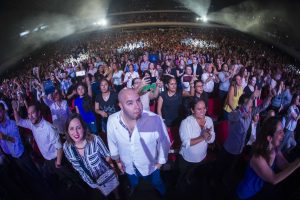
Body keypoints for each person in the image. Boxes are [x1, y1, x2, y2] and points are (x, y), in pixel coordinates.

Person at [107, 88, 170, 196]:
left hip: (150, 166)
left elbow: (164, 142)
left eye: (138, 100)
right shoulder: (112, 121)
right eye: (130, 103)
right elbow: (112, 143)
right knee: (134, 184)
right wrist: (117, 161)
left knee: (156, 183)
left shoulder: (154, 119)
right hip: (128, 165)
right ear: (121, 106)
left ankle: (164, 194)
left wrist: (159, 163)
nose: (137, 106)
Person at [237, 117, 300, 199]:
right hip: (246, 195)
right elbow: (274, 179)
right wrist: (297, 163)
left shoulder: (275, 149)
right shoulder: (257, 157)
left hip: (258, 192)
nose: (283, 134)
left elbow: (285, 166)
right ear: (269, 138)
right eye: (280, 132)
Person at [63, 114, 120, 198]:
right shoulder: (66, 147)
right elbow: (73, 164)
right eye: (71, 129)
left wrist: (114, 170)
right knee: (104, 193)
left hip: (107, 176)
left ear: (83, 128)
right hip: (91, 182)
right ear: (67, 131)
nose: (75, 132)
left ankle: (117, 196)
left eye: (78, 128)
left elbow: (107, 156)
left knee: (114, 191)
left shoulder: (94, 140)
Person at [178, 99, 215, 186]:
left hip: (202, 157)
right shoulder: (186, 123)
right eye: (199, 109)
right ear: (192, 110)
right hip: (187, 160)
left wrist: (209, 136)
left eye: (204, 108)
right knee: (184, 181)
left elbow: (212, 139)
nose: (203, 111)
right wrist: (202, 137)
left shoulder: (209, 120)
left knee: (197, 181)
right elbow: (185, 143)